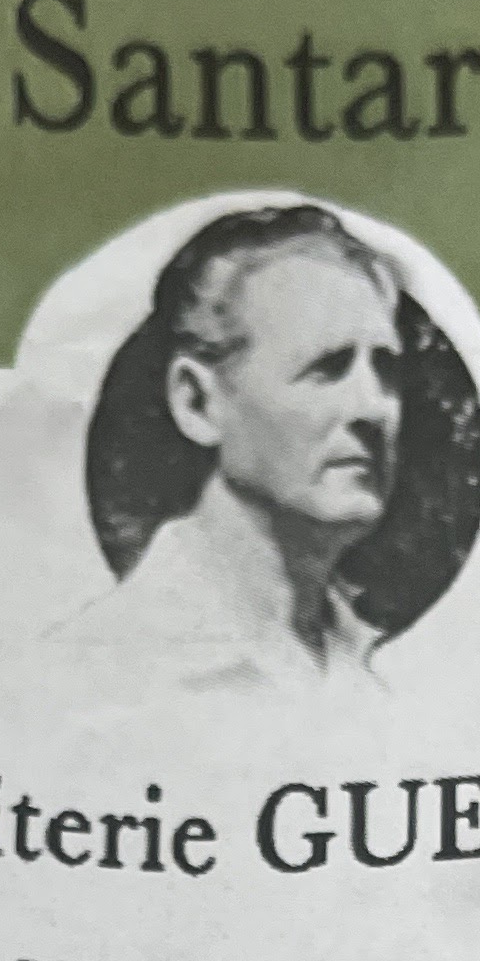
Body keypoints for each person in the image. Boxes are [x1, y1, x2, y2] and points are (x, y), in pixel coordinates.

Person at [93, 207, 408, 686]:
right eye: (327, 367)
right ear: (198, 403)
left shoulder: (371, 671)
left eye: (385, 370)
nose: (374, 407)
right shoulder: (108, 667)